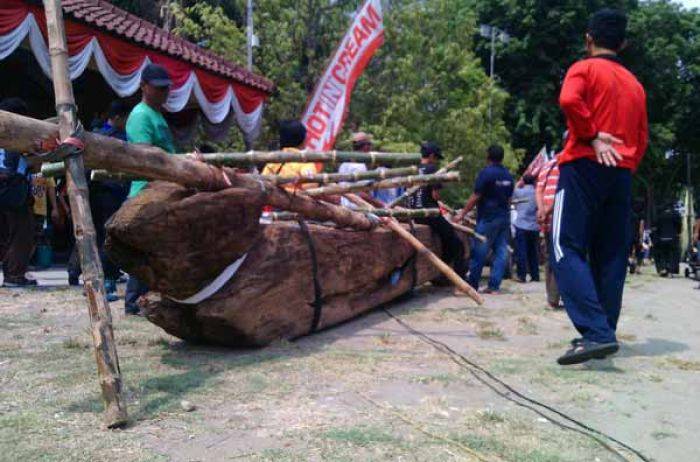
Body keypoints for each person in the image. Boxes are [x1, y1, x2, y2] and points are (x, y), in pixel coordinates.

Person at [552, 8, 648, 365]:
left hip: (583, 166)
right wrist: (625, 163)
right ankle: (603, 329)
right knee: (611, 254)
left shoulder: (584, 68)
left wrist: (592, 136)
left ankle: (596, 332)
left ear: (588, 39)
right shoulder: (636, 85)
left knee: (565, 246)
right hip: (621, 174)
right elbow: (642, 136)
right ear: (622, 43)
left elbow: (568, 100)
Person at [124, 63, 177, 315]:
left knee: (157, 248)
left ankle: (149, 296)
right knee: (146, 249)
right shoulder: (141, 115)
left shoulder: (157, 114)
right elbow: (146, 155)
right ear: (144, 86)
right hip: (147, 190)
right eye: (158, 88)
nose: (163, 93)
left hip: (163, 190)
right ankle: (134, 301)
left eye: (166, 89)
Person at [456, 145, 514, 293]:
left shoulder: (486, 173)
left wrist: (462, 214)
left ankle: (472, 284)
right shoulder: (508, 175)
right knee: (501, 251)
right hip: (504, 217)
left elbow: (476, 196)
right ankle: (494, 286)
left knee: (479, 251)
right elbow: (509, 199)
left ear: (488, 156)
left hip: (488, 218)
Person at [408, 142, 467, 278]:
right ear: (432, 156)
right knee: (457, 245)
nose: (437, 161)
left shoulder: (414, 169)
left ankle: (441, 274)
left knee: (446, 240)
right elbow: (435, 195)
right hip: (430, 214)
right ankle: (459, 278)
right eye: (436, 158)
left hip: (415, 213)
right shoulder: (432, 169)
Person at [91, 100, 131, 301]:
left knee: (101, 237)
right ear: (116, 118)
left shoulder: (97, 135)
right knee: (109, 238)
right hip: (111, 193)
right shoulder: (117, 138)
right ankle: (107, 281)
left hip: (99, 193)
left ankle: (102, 279)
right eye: (125, 119)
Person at [0, 98, 37, 287]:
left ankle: (12, 274)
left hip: (8, 188)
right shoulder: (14, 134)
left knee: (6, 234)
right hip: (13, 189)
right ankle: (14, 276)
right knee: (21, 234)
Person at [536, 152, 562, 309]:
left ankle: (551, 297)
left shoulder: (547, 165)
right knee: (559, 257)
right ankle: (553, 299)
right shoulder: (569, 165)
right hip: (560, 218)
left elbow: (539, 190)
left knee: (550, 258)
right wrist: (547, 211)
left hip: (546, 218)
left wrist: (541, 210)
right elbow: (561, 193)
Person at [261, 120, 317, 189]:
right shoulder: (305, 163)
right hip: (294, 198)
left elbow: (263, 181)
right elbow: (310, 188)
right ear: (302, 139)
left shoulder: (274, 160)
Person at [512, 174, 540, 283]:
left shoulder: (520, 192)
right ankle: (535, 275)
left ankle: (522, 275)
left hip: (521, 225)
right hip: (534, 226)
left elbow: (512, 191)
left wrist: (518, 183)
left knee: (521, 251)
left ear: (524, 181)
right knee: (533, 252)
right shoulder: (537, 193)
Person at [652, 203, 681, 277]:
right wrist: (678, 233)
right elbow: (679, 225)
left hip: (662, 238)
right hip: (673, 237)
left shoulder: (660, 215)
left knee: (663, 254)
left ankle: (663, 268)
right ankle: (671, 271)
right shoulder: (675, 214)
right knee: (673, 254)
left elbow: (656, 226)